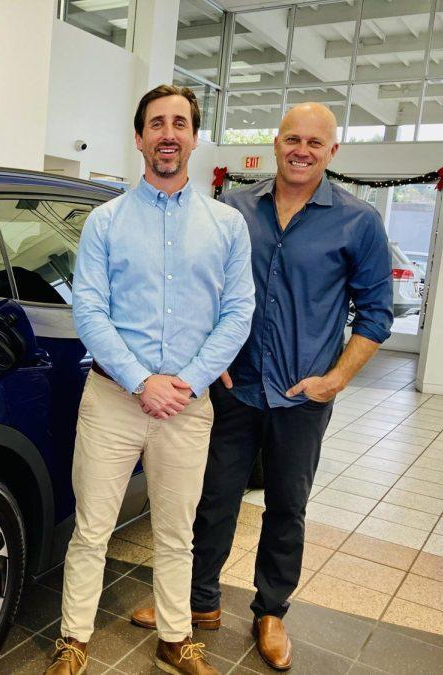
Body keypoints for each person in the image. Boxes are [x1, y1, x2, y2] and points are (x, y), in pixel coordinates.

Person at [130, 103, 394, 671]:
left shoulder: (358, 221)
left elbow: (376, 314)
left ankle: (270, 612)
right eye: (292, 139)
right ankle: (194, 603)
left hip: (302, 396)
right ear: (275, 144)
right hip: (234, 387)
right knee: (213, 498)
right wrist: (209, 359)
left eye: (314, 143)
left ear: (332, 152)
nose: (302, 150)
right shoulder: (234, 208)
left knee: (287, 507)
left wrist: (336, 380)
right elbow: (207, 290)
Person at [45, 85, 255, 675]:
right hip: (112, 398)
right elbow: (88, 310)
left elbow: (238, 313)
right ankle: (73, 641)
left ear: (194, 136)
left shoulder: (226, 226)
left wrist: (184, 382)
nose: (168, 133)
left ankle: (174, 638)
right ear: (139, 137)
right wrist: (143, 381)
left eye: (180, 123)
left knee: (177, 532)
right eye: (157, 123)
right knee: (91, 529)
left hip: (188, 405)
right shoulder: (106, 222)